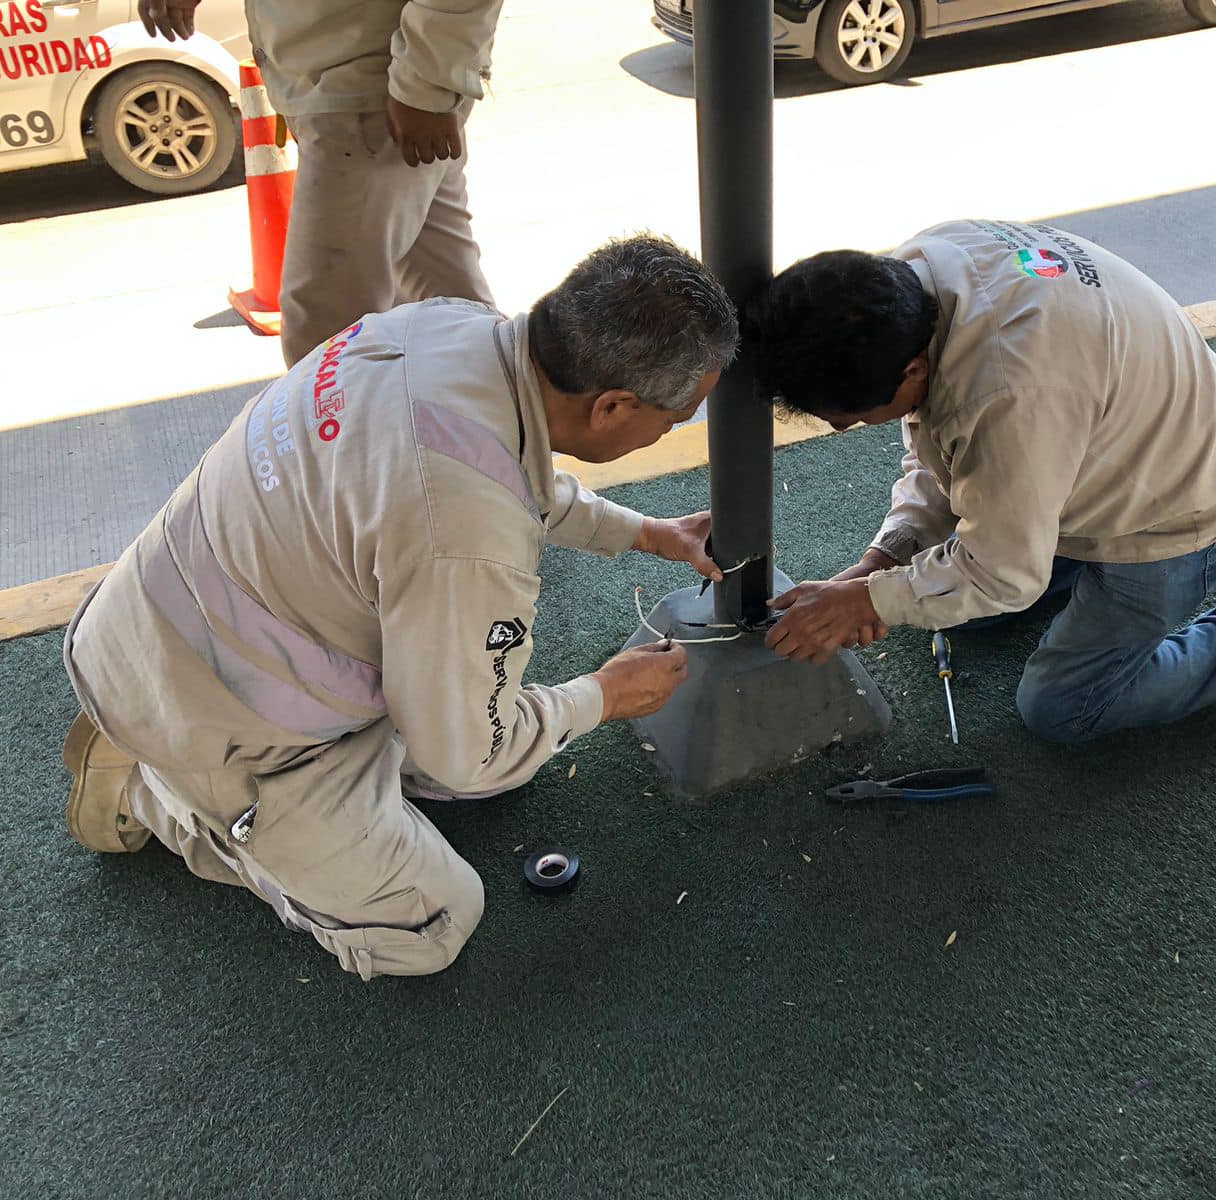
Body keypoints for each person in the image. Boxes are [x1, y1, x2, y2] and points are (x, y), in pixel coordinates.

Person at [62, 235, 738, 979]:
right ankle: (153, 790)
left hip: (160, 618)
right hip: (211, 714)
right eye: (673, 421)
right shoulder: (468, 530)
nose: (672, 433)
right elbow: (470, 756)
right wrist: (604, 696)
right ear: (613, 406)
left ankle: (318, 778)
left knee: (499, 742)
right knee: (434, 923)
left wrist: (649, 533)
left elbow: (501, 471)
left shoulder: (448, 328)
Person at [741, 219, 1216, 744]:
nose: (845, 428)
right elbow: (949, 454)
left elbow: (1002, 575)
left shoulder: (1011, 389)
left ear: (911, 369)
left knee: (1064, 708)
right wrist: (885, 562)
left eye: (851, 417)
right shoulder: (922, 273)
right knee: (946, 608)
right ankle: (1071, 584)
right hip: (1106, 457)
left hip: (1183, 509)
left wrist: (869, 601)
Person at [141, 0, 502, 365]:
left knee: (324, 346)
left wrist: (427, 85)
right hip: (357, 86)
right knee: (450, 310)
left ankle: (515, 410)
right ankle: (518, 412)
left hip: (373, 92)